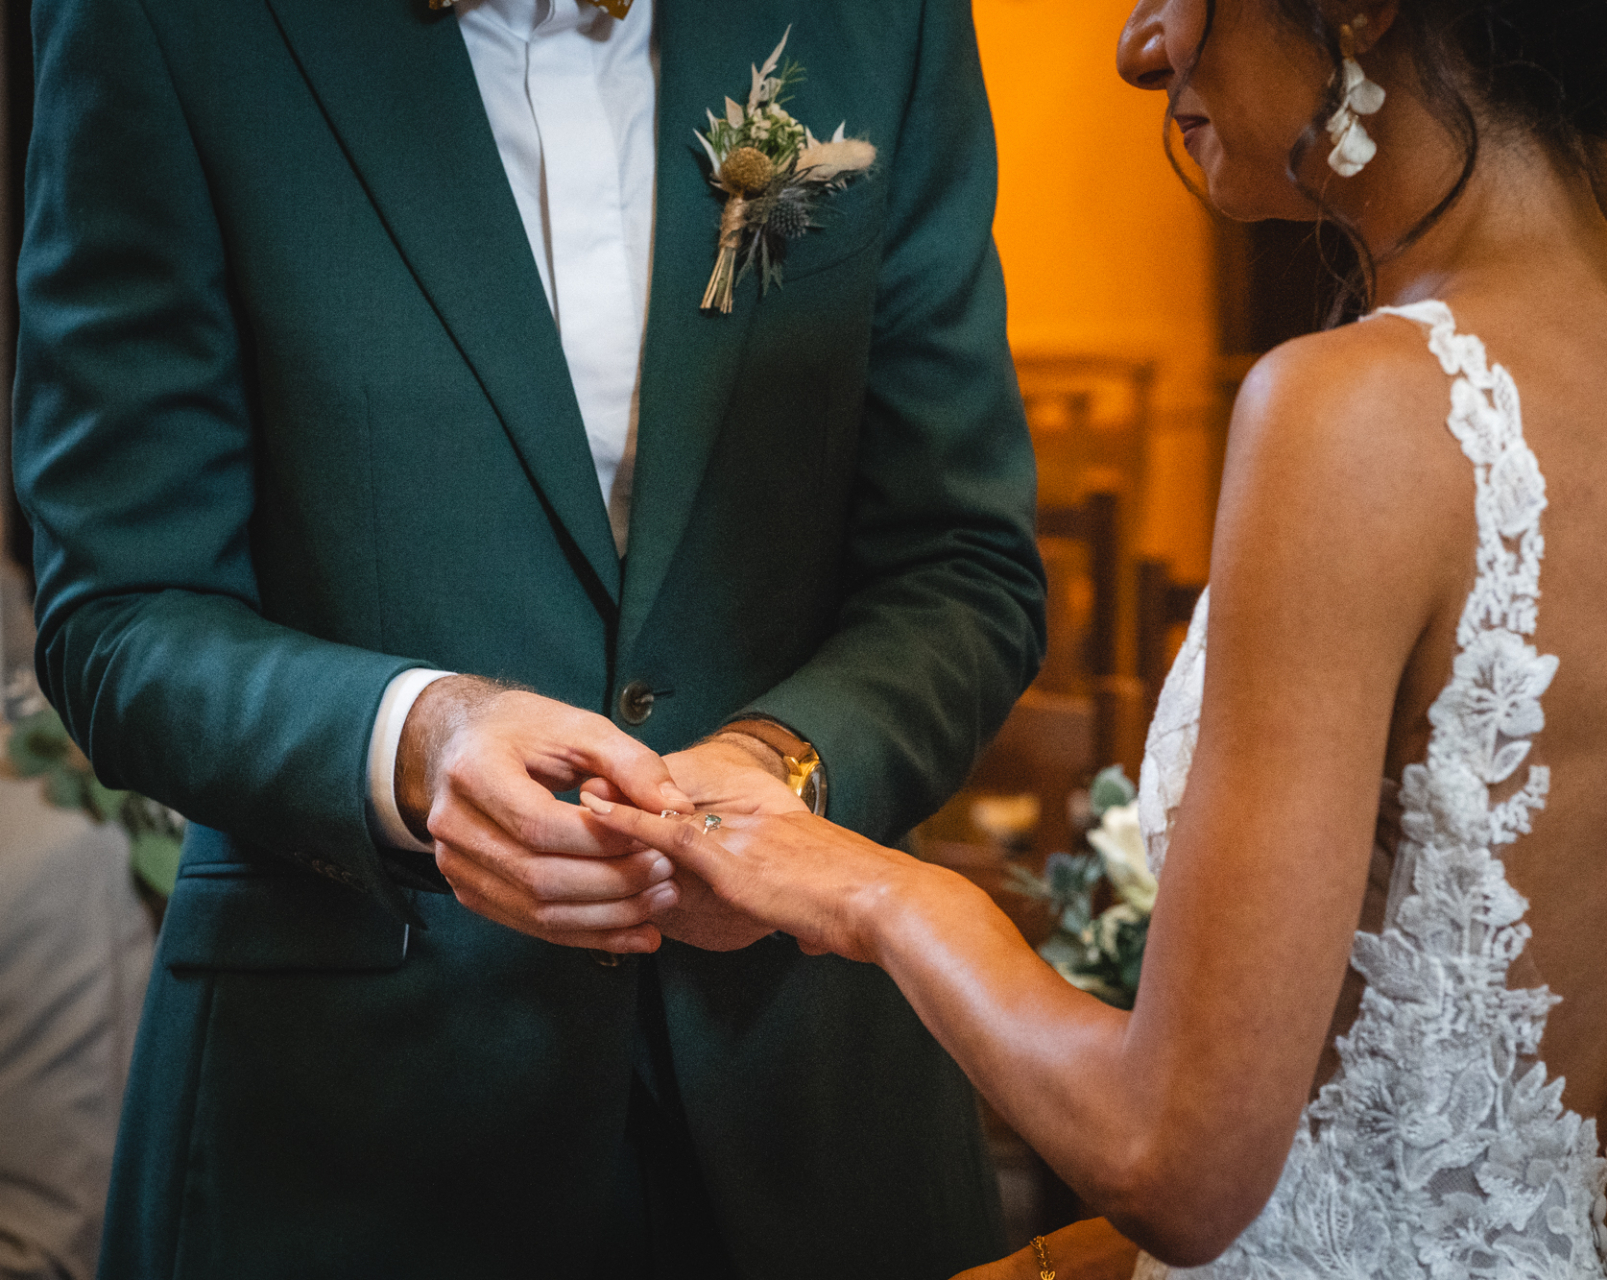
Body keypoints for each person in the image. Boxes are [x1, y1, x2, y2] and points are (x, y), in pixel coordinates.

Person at [591, 0, 1607, 1275]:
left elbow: (1173, 1162)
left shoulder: (1353, 417)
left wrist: (863, 886)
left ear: (1358, 8)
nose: (1137, 44)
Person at [11, 0, 1045, 1276]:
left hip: (814, 1109)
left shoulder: (886, 25)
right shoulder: (165, 29)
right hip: (349, 1135)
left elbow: (962, 563)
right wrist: (417, 739)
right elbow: (121, 609)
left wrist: (788, 763)